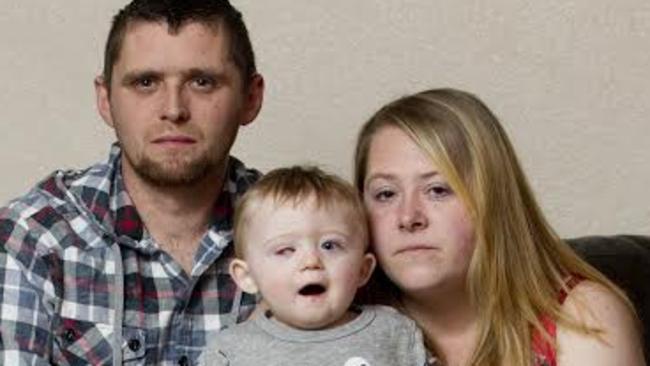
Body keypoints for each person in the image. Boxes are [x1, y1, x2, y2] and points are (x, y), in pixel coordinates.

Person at [0, 0, 264, 364]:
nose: (173, 109)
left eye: (202, 82)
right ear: (106, 99)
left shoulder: (309, 231)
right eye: (145, 82)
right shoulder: (33, 236)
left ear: (250, 97)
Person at [354, 88, 646, 366]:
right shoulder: (333, 314)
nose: (408, 217)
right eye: (385, 194)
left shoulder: (583, 317)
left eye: (438, 190)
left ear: (494, 199)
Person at [199, 166, 432, 366]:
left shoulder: (393, 332)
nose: (311, 262)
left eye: (330, 245)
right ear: (246, 276)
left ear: (363, 269)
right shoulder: (229, 351)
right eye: (285, 250)